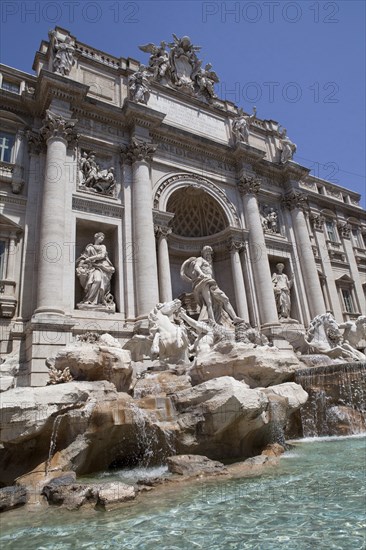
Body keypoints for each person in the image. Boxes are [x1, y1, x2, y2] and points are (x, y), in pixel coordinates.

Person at [181, 245, 242, 324]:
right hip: (204, 281)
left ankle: (234, 317)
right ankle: (212, 321)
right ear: (203, 253)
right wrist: (201, 273)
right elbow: (196, 267)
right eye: (207, 253)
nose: (208, 255)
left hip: (211, 283)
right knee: (208, 302)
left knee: (225, 299)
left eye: (210, 253)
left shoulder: (209, 264)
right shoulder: (200, 259)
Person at [76, 232, 115, 307]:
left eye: (103, 238)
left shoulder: (103, 246)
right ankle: (89, 300)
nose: (102, 239)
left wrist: (90, 258)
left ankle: (95, 300)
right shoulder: (89, 247)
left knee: (98, 280)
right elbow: (84, 257)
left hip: (102, 266)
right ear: (96, 237)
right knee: (95, 281)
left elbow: (102, 255)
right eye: (101, 237)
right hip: (92, 267)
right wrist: (81, 264)